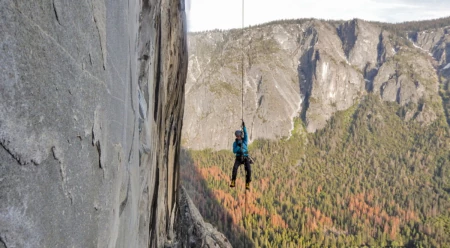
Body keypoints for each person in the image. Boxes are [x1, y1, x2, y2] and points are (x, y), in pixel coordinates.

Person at [230, 120, 251, 190]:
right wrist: (238, 146)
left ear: (240, 135)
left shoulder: (245, 140)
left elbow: (246, 134)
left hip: (245, 157)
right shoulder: (235, 143)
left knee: (248, 169)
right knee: (235, 168)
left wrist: (244, 127)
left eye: (239, 135)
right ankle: (233, 181)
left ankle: (247, 183)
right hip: (238, 157)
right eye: (237, 136)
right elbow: (234, 151)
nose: (238, 137)